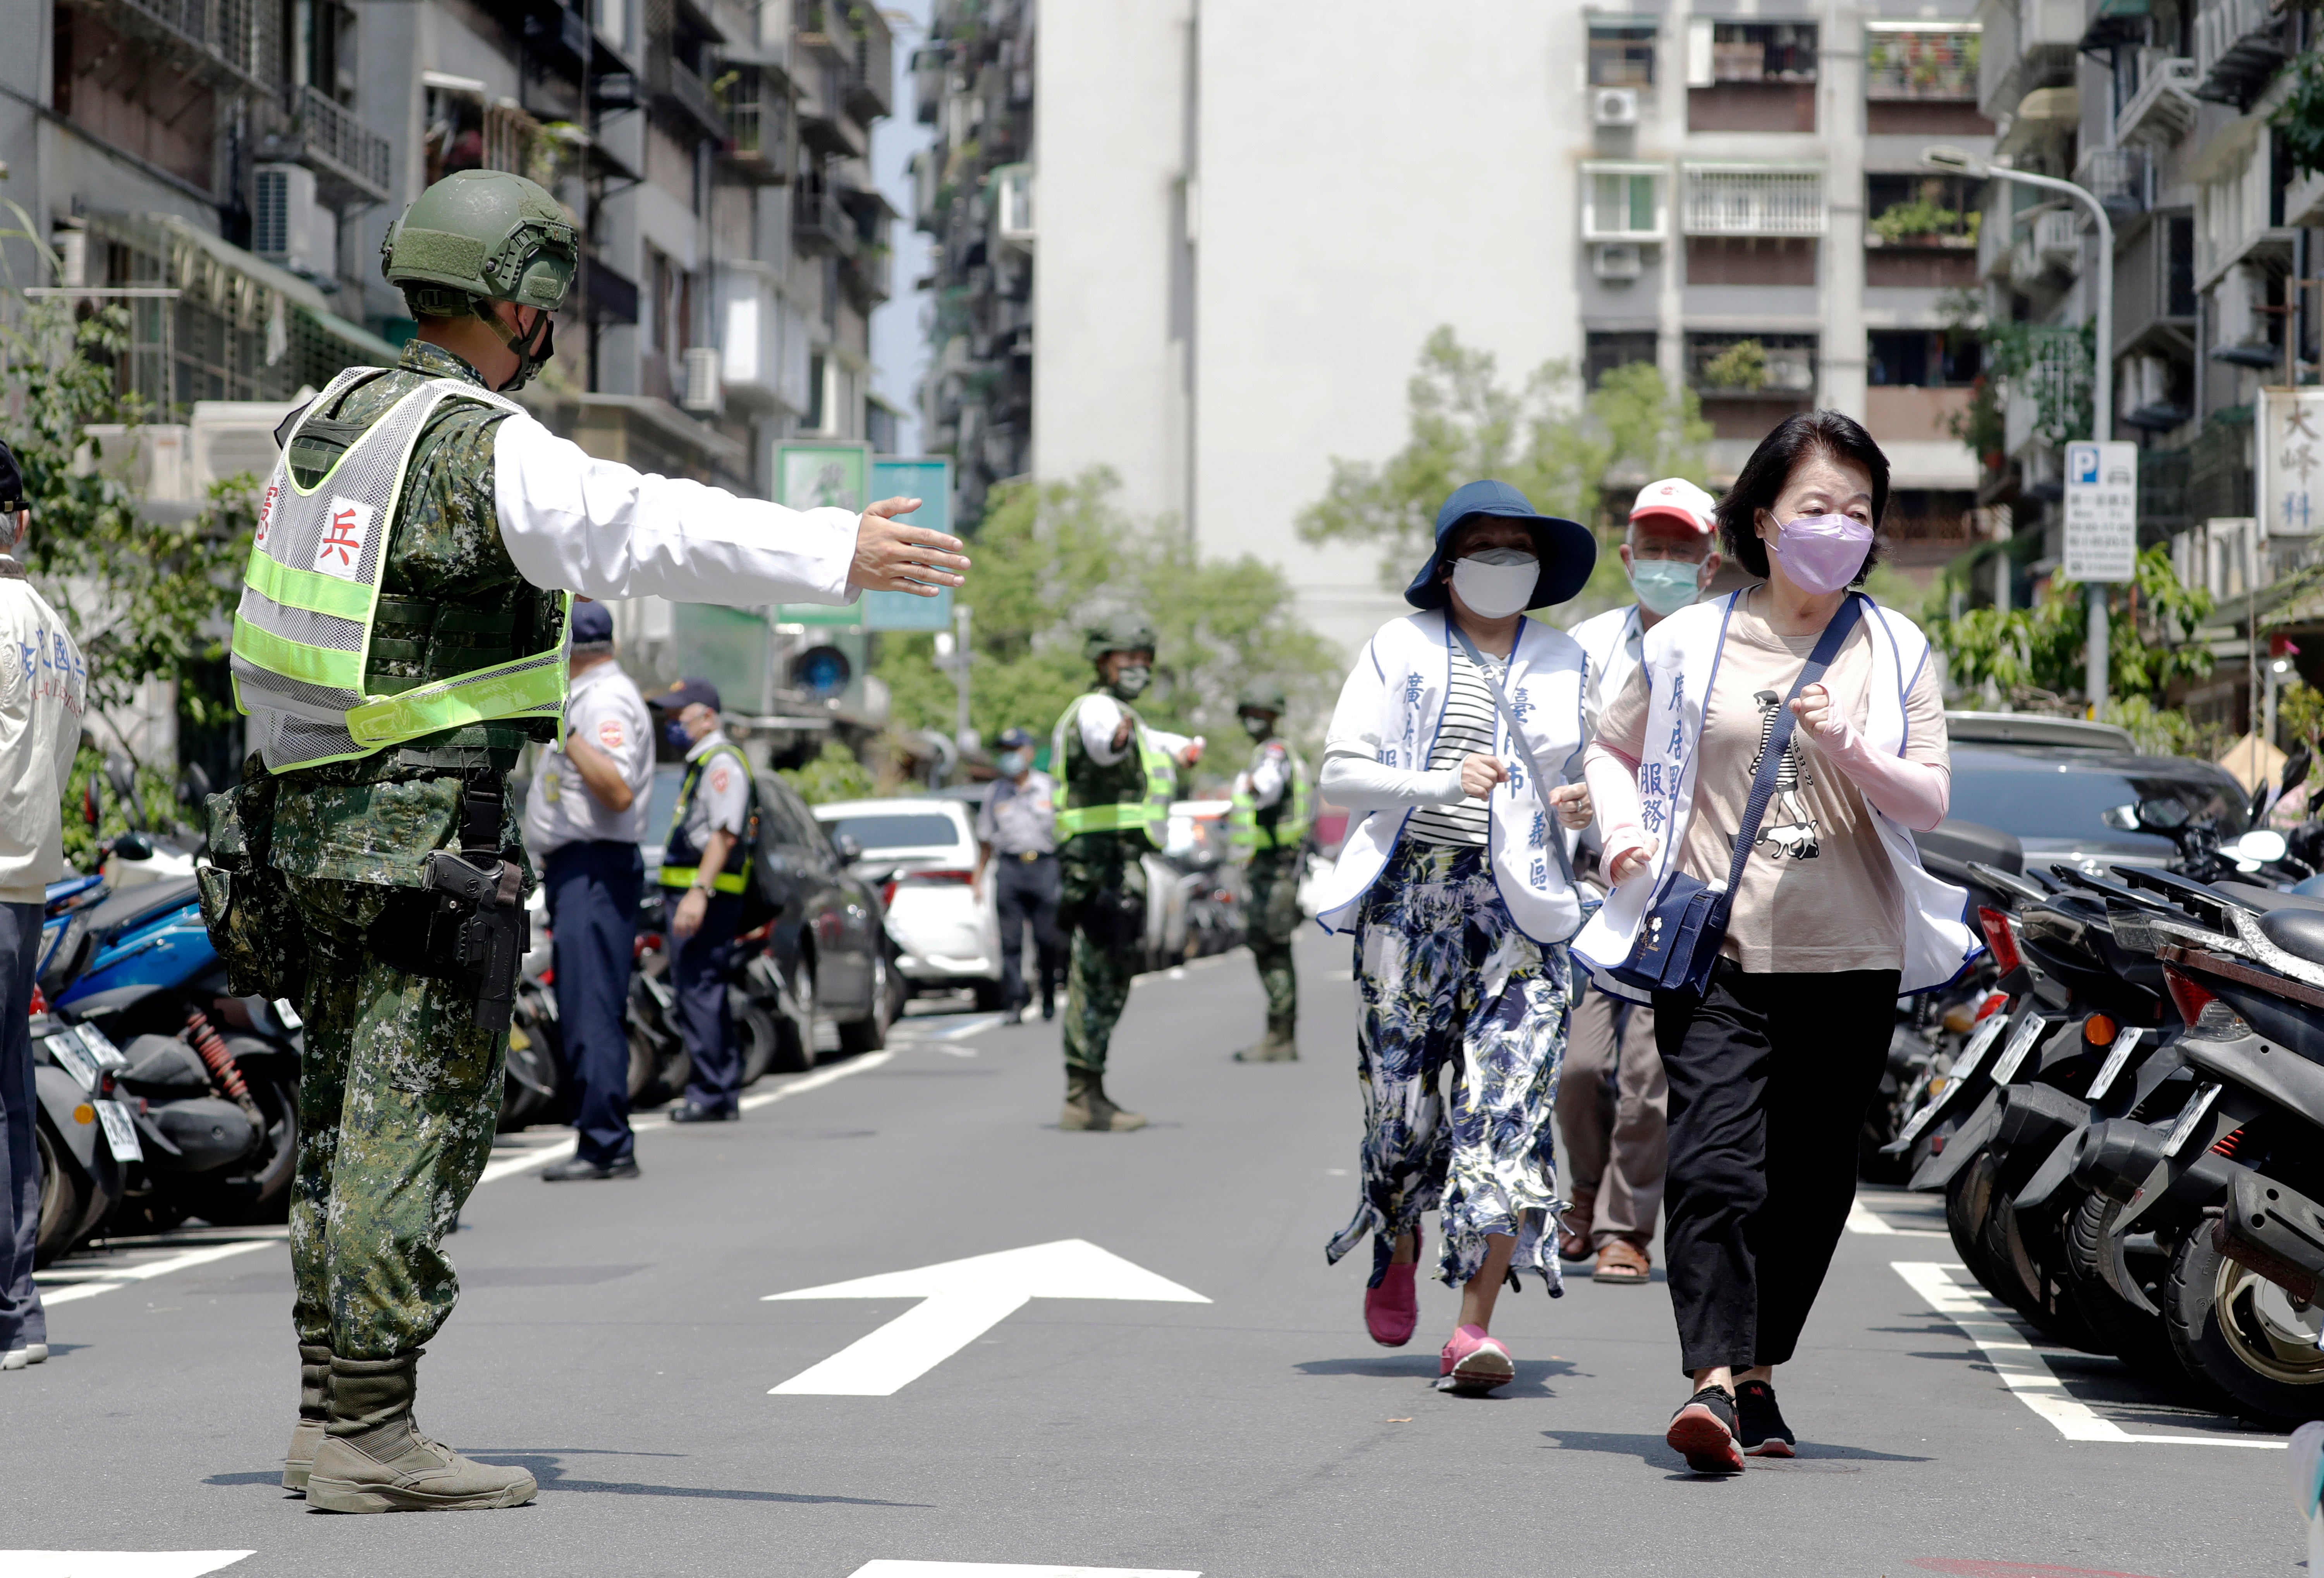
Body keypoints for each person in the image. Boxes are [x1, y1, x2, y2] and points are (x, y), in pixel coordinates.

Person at [203, 168, 968, 1513]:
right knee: (406, 1128)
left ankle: (332, 1412)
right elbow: (642, 523)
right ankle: (371, 1437)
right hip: (423, 845)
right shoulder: (478, 440)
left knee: (336, 1126)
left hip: (300, 833)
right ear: (520, 304)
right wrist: (831, 548)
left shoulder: (324, 423)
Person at [1575, 411, 1971, 1472]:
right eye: (1816, 507)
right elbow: (1610, 749)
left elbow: (1929, 799)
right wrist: (1621, 842)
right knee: (1717, 1168)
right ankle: (1709, 1378)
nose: (1839, 526)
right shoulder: (1688, 640)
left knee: (1810, 1186)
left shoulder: (1897, 647)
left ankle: (1757, 1368)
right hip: (1718, 949)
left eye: (1858, 510)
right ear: (1763, 519)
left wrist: (1851, 746)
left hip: (1852, 958)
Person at [1309, 479, 1598, 1395]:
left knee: (1507, 1112)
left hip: (1522, 914)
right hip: (1412, 904)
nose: (1503, 559)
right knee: (1399, 1117)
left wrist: (1588, 802)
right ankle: (1396, 1232)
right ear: (1447, 562)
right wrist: (1437, 782)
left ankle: (1473, 1328)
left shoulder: (1566, 660)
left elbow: (1604, 772)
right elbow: (1339, 774)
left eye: (1520, 545)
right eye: (1485, 544)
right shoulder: (1399, 648)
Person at [1557, 478, 1722, 1287]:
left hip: (1684, 889)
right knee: (1581, 1069)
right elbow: (1556, 758)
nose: (1664, 564)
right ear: (1627, 558)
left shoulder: (1730, 647)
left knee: (1649, 1078)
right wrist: (1572, 799)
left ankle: (1627, 1227)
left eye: (1680, 551)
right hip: (1595, 885)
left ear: (1711, 563)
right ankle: (1582, 1193)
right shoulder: (1585, 648)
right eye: (1651, 550)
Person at [0, 441, 85, 1372]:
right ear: (21, 523)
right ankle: (17, 1310)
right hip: (26, 887)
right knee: (8, 1100)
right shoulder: (57, 631)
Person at [1050, 618, 1202, 1131]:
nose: (1137, 668)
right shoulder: (1098, 710)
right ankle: (1081, 1096)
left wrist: (1181, 748)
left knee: (1110, 977)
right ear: (1102, 662)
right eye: (1126, 659)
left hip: (1114, 865)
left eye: (1144, 659)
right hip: (1097, 868)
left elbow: (1150, 739)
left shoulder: (1125, 715)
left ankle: (1090, 1090)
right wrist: (1116, 741)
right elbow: (1102, 742)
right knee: (1096, 978)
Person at [523, 600, 654, 1181]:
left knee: (592, 1007)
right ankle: (602, 1136)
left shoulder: (604, 700)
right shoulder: (595, 694)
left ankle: (606, 1141)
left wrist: (567, 732)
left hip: (596, 868)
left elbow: (618, 789)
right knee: (583, 1005)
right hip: (582, 870)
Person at [650, 678, 755, 1125]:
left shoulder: (722, 763)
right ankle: (716, 1089)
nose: (674, 724)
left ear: (708, 717)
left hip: (705, 898)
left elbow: (725, 833)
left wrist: (698, 891)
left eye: (681, 716)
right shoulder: (703, 762)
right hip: (695, 893)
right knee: (699, 991)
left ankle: (712, 1091)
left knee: (700, 992)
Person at [1226, 679, 1310, 1063]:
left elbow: (1267, 789)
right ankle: (1279, 1034)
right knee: (1270, 946)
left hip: (1275, 868)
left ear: (1273, 717)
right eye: (1249, 715)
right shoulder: (1274, 751)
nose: (1253, 722)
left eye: (1260, 715)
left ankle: (1280, 1036)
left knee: (1272, 946)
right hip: (1272, 865)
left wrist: (1249, 785)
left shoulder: (1272, 754)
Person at [975, 726, 1062, 1023]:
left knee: (1047, 939)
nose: (1009, 758)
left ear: (1028, 753)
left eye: (1014, 751)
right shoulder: (995, 792)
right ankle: (1014, 1002)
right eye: (1005, 752)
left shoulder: (1050, 788)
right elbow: (986, 840)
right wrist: (977, 879)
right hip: (1010, 869)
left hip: (1044, 867)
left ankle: (1049, 995)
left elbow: (1066, 832)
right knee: (1010, 942)